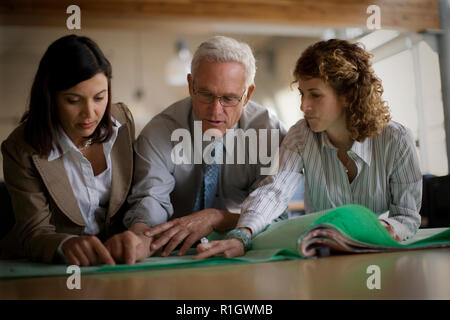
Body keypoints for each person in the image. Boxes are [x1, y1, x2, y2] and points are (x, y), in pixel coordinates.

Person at [195, 38, 422, 259]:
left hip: (381, 257)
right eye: (302, 94)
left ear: (348, 95)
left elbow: (407, 217)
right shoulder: (301, 135)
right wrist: (242, 235)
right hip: (323, 258)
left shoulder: (397, 140)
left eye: (315, 94)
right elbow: (275, 190)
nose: (304, 106)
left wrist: (377, 228)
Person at [108, 36, 286, 262]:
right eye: (206, 94)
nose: (215, 111)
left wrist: (217, 218)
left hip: (244, 251)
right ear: (191, 85)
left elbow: (277, 214)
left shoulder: (270, 132)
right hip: (174, 254)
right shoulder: (159, 131)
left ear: (248, 94)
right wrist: (139, 237)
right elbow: (149, 199)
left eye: (229, 98)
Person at [0, 35, 145, 266]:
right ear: (50, 97)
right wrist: (64, 244)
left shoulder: (123, 121)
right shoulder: (20, 148)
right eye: (73, 100)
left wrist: (137, 235)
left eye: (99, 97)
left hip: (116, 264)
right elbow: (33, 232)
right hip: (48, 269)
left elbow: (137, 197)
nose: (89, 114)